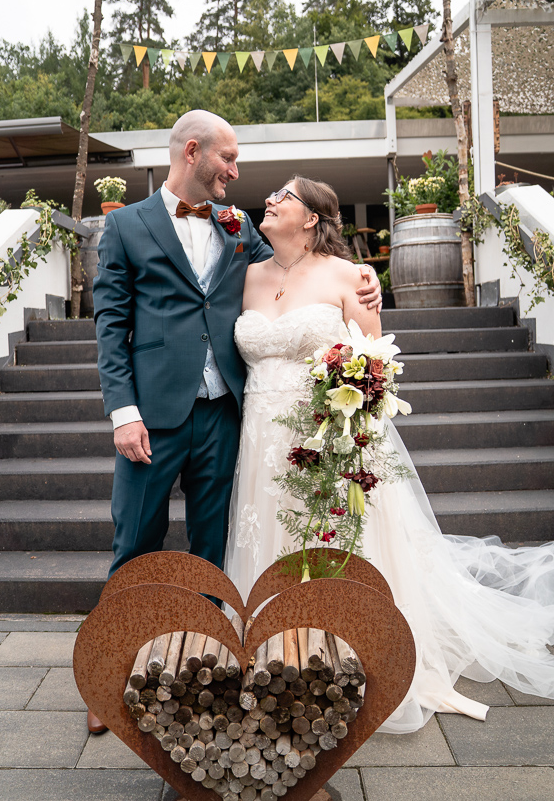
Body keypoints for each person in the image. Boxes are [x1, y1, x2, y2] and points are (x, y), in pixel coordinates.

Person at [224, 174, 554, 735]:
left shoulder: (348, 274)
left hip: (325, 431)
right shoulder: (248, 272)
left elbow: (371, 356)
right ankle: (276, 649)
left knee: (333, 536)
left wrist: (347, 425)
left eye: (284, 195)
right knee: (268, 534)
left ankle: (350, 646)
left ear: (310, 218)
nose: (271, 200)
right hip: (259, 438)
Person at [90, 111, 381, 734]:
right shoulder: (125, 227)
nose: (236, 172)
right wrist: (123, 412)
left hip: (227, 414)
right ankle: (107, 674)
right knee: (134, 545)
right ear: (192, 152)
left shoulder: (239, 226)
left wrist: (362, 282)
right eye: (227, 159)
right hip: (152, 417)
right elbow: (111, 324)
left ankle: (199, 669)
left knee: (211, 552)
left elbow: (296, 266)